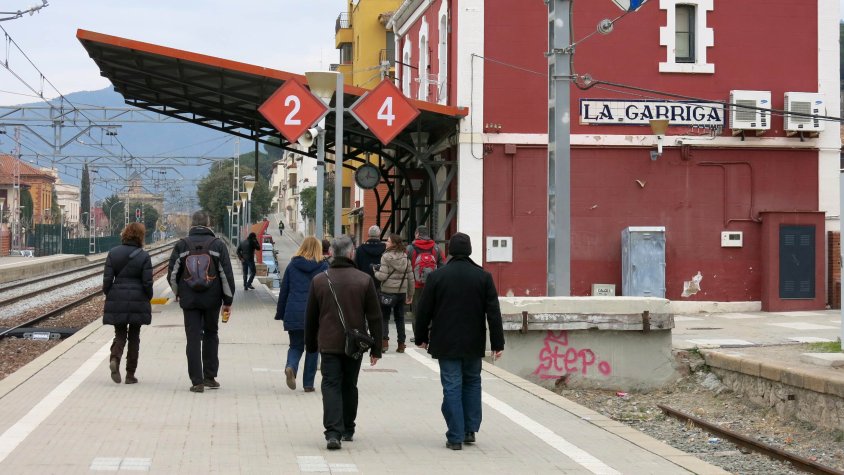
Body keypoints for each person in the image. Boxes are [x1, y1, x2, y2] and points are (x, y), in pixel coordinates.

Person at [414, 232, 504, 450]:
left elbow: (423, 310)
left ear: (451, 251)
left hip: (445, 342)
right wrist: (497, 343)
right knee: (473, 382)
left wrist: (421, 338)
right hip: (473, 342)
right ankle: (469, 430)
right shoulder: (483, 277)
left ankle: (455, 436)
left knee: (452, 386)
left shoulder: (437, 276)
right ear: (470, 250)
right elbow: (493, 313)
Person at [305, 235, 382, 450]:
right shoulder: (364, 280)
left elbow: (310, 317)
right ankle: (348, 427)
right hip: (355, 345)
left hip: (328, 343)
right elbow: (375, 317)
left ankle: (333, 432)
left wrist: (310, 346)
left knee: (330, 384)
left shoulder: (319, 280)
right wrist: (376, 349)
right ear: (351, 254)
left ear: (330, 254)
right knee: (349, 384)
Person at [167, 210, 236, 393]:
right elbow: (226, 275)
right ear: (208, 224)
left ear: (192, 224)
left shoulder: (182, 245)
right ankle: (209, 377)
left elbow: (172, 275)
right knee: (211, 334)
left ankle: (196, 381)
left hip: (189, 300)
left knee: (192, 338)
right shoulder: (217, 245)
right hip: (212, 300)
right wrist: (227, 301)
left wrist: (178, 293)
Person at [102, 222, 153, 385]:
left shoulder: (113, 253)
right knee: (135, 337)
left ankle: (115, 359)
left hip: (118, 297)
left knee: (120, 334)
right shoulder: (144, 256)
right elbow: (147, 282)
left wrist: (110, 294)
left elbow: (107, 280)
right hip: (138, 299)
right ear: (141, 236)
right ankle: (130, 374)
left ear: (124, 234)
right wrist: (148, 297)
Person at [275, 236, 328, 392]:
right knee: (313, 348)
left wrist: (280, 313)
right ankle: (308, 384)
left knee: (295, 346)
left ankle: (291, 366)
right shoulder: (323, 267)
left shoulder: (292, 265)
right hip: (315, 314)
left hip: (294, 313)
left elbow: (284, 291)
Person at [374, 234, 413, 353]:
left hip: (387, 292)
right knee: (400, 318)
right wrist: (410, 294)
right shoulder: (405, 257)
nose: (386, 243)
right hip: (401, 292)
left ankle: (384, 343)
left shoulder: (385, 257)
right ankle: (401, 344)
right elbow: (411, 278)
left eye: (388, 241)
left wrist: (375, 271)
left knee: (384, 317)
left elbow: (382, 276)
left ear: (394, 244)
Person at [407, 225, 443, 321]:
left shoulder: (410, 248)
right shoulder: (436, 248)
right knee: (432, 309)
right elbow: (442, 266)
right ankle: (430, 333)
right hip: (432, 285)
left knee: (417, 311)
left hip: (416, 285)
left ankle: (418, 335)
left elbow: (406, 266)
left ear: (417, 234)